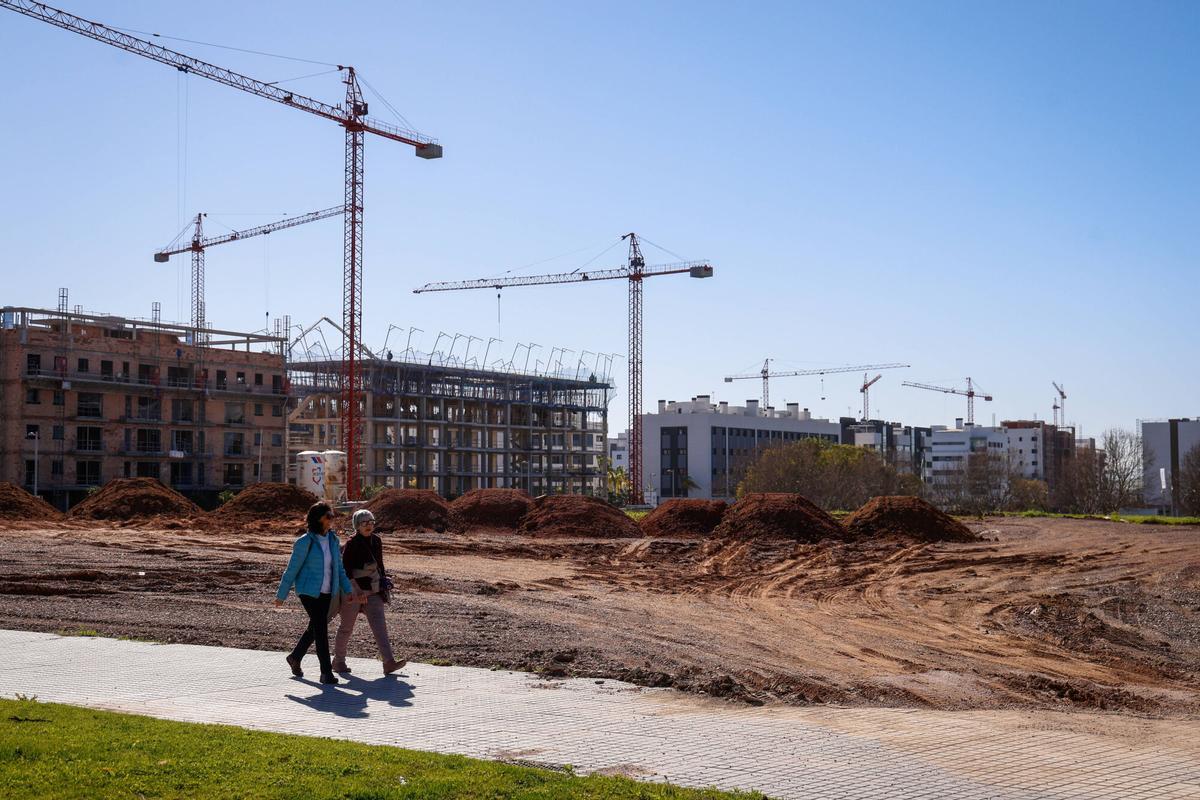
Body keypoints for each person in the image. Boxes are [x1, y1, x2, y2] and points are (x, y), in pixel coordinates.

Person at [275, 502, 361, 685]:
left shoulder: (333, 540)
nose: (332, 519)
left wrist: (347, 590)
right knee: (321, 628)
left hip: (327, 591)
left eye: (332, 515)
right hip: (308, 592)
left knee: (315, 627)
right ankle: (326, 673)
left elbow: (339, 568)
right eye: (328, 515)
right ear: (318, 519)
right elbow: (291, 570)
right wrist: (281, 595)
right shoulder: (304, 542)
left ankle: (295, 657)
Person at [333, 509, 405, 675]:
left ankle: (389, 662)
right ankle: (338, 661)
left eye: (371, 522)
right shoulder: (351, 544)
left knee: (380, 627)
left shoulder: (377, 541)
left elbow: (380, 566)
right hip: (352, 593)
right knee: (346, 628)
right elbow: (346, 571)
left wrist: (383, 584)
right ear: (357, 526)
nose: (368, 525)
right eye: (364, 523)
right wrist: (356, 591)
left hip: (373, 591)